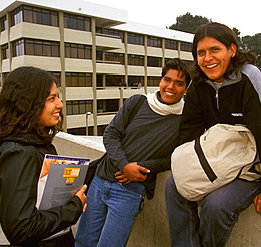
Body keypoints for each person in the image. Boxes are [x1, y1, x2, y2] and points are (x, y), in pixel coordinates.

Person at [165, 22, 261, 247]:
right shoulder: (199, 84)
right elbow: (188, 131)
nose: (207, 58)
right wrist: (183, 165)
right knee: (174, 185)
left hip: (251, 166)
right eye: (201, 53)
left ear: (232, 50)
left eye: (215, 50)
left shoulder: (249, 77)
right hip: (220, 159)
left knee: (216, 205)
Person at [74, 58, 191, 247]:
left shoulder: (185, 120)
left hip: (129, 192)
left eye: (179, 83)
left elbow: (177, 158)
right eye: (167, 80)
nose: (171, 86)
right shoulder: (138, 102)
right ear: (160, 81)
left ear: (186, 89)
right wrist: (125, 165)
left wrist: (142, 167)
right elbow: (111, 134)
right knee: (83, 242)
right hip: (99, 181)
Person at [0, 66, 87, 246]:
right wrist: (74, 207)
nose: (60, 105)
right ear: (27, 103)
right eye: (51, 98)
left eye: (58, 97)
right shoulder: (18, 153)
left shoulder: (34, 143)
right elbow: (21, 228)